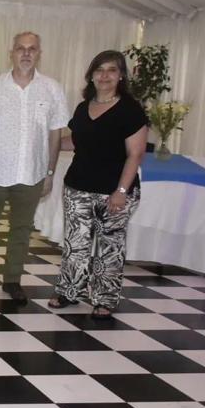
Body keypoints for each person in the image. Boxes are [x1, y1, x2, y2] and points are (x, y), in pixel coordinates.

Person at [49, 50, 147, 319]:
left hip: (114, 193)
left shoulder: (130, 110)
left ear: (121, 76)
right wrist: (46, 142)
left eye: (111, 70)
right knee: (75, 244)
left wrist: (121, 191)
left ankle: (105, 299)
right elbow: (75, 141)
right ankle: (69, 291)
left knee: (109, 248)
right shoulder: (84, 107)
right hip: (77, 188)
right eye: (99, 70)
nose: (105, 75)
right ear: (91, 75)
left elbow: (136, 154)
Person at [0, 32, 69, 303]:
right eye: (20, 48)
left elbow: (55, 134)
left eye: (32, 49)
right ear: (11, 53)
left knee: (22, 229)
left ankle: (13, 280)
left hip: (32, 173)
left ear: (39, 54)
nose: (26, 54)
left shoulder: (52, 89)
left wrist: (50, 173)